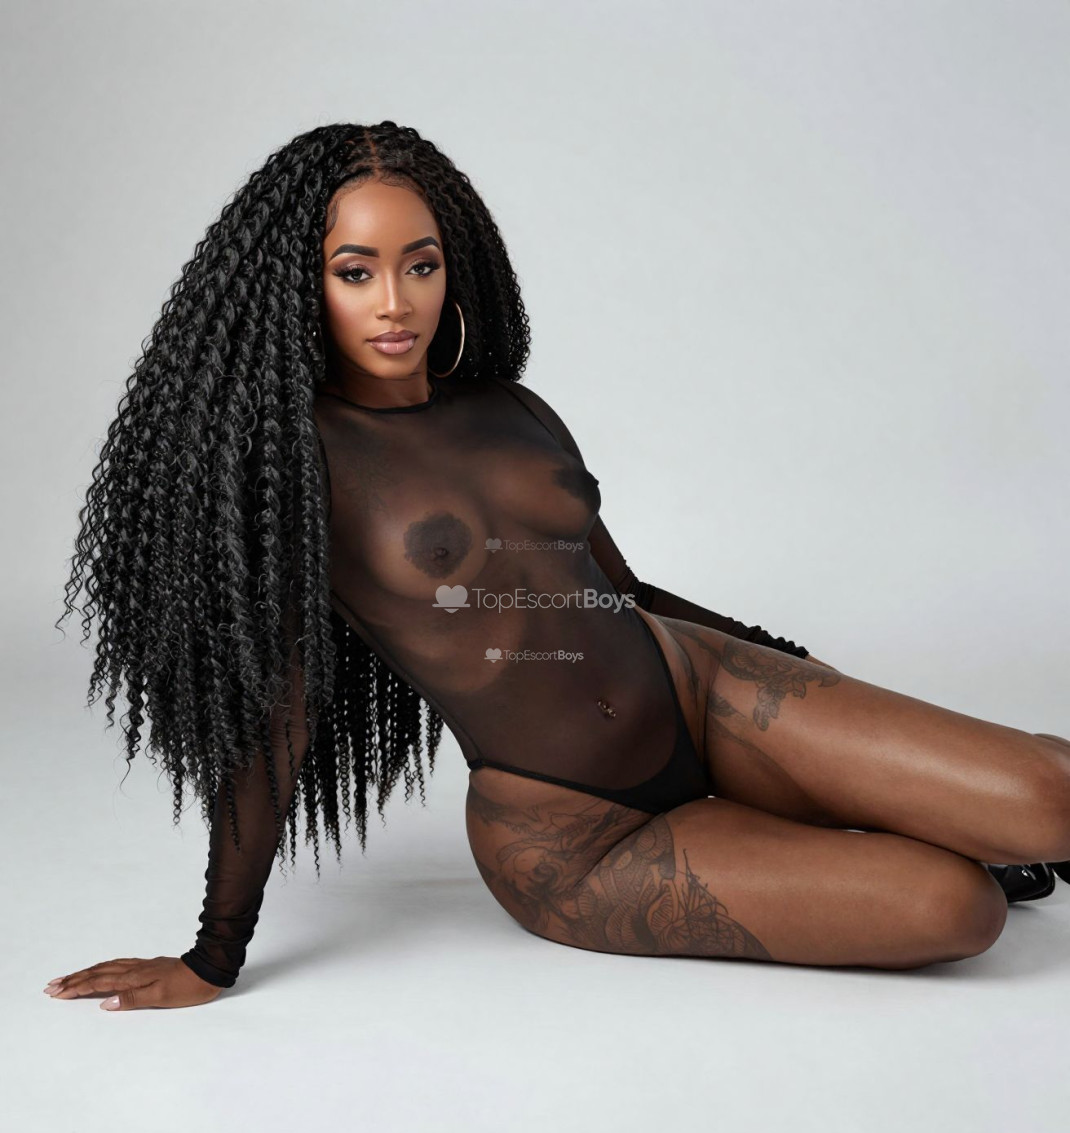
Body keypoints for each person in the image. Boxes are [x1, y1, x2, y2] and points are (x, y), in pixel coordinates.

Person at [46, 122, 1070, 1011]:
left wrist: (797, 673)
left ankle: (902, 812)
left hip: (700, 690)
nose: (395, 302)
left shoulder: (512, 407)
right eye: (354, 271)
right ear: (298, 285)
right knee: (957, 908)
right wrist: (214, 951)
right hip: (575, 833)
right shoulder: (292, 471)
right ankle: (931, 840)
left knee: (1054, 795)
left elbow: (621, 593)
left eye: (419, 264)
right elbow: (280, 717)